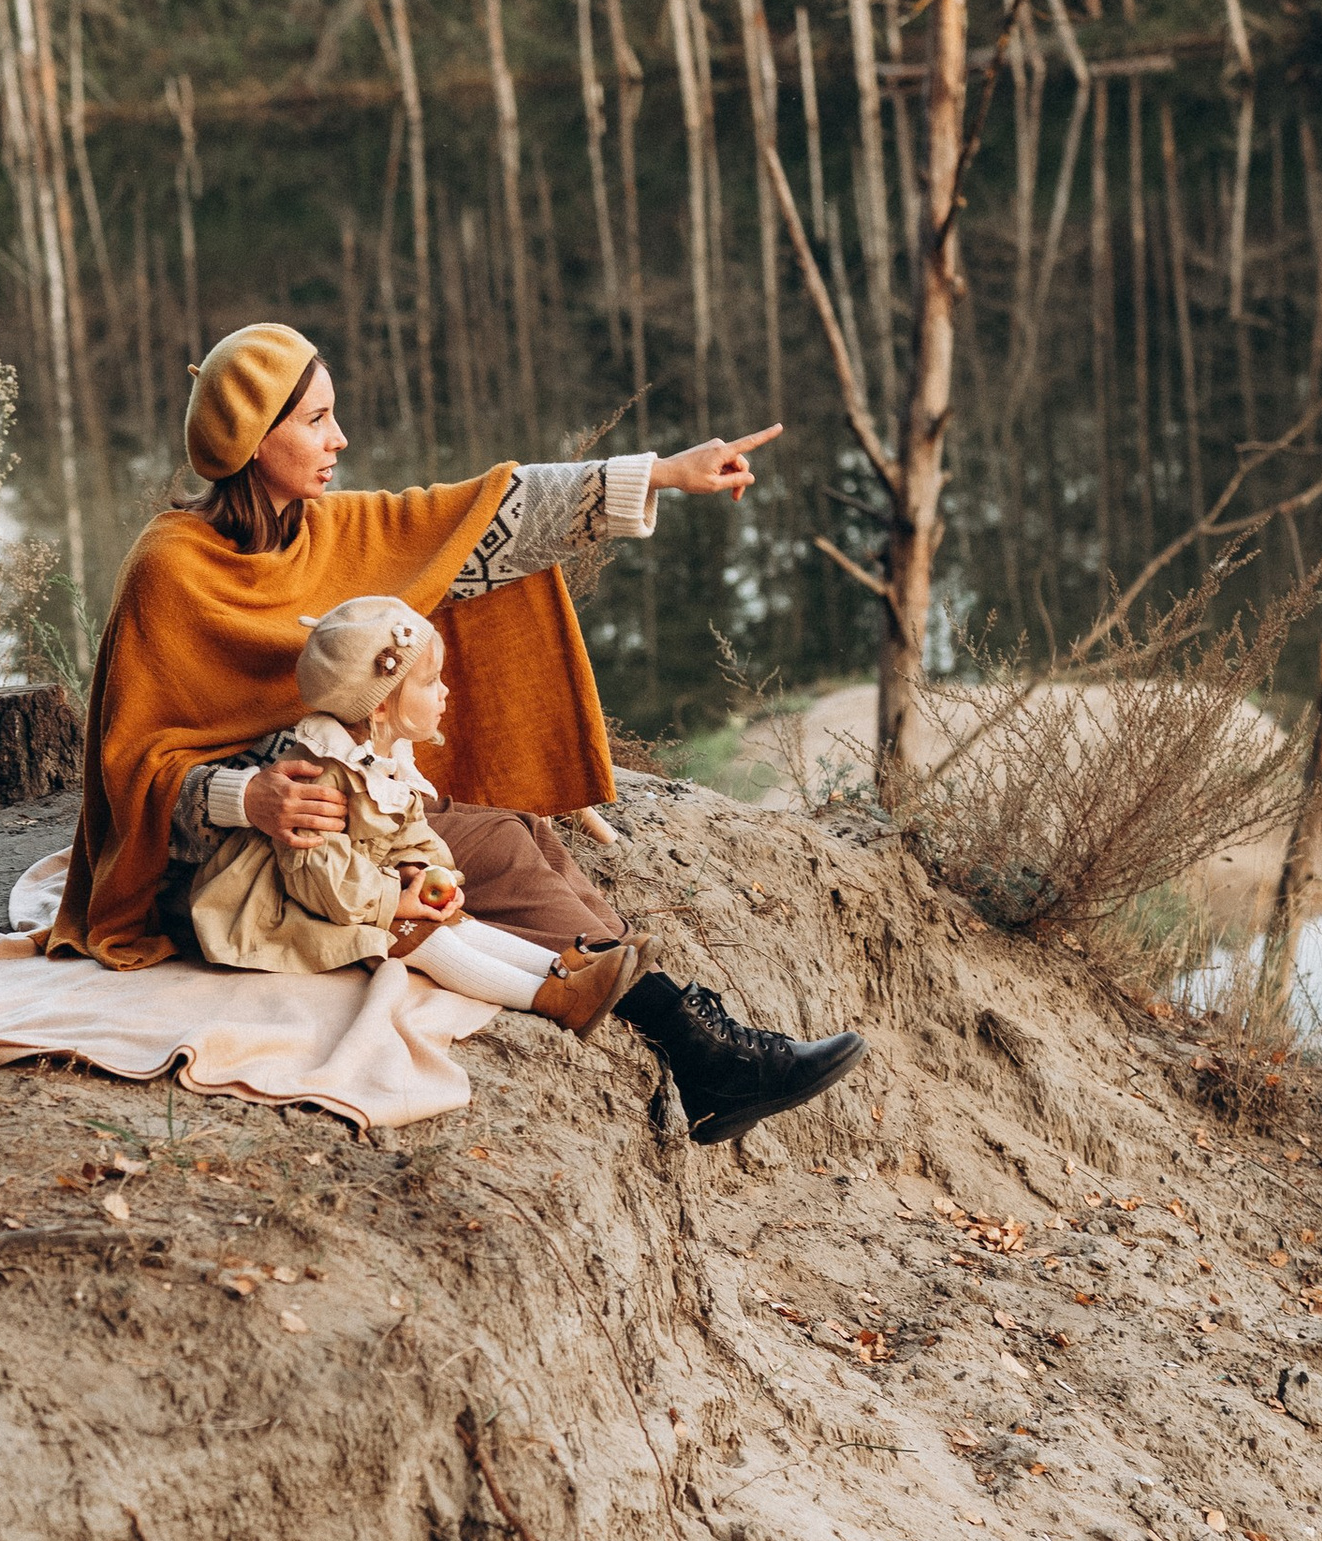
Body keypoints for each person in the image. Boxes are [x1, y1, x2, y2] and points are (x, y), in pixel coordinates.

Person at [51, 319, 865, 1146]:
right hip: (236, 871)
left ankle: (696, 1044)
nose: (340, 437)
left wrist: (663, 472)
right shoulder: (169, 568)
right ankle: (700, 1047)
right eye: (315, 420)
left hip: (355, 821)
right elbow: (129, 771)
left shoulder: (329, 532)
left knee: (524, 836)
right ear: (255, 441)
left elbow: (486, 520)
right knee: (507, 852)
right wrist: (245, 796)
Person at [188, 591, 646, 1033]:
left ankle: (569, 965)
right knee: (420, 935)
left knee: (454, 918)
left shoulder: (383, 762)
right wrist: (394, 898)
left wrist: (423, 868)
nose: (445, 692)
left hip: (361, 886)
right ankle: (548, 996)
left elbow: (412, 827)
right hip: (290, 906)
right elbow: (320, 876)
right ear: (381, 705)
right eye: (430, 682)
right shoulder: (321, 779)